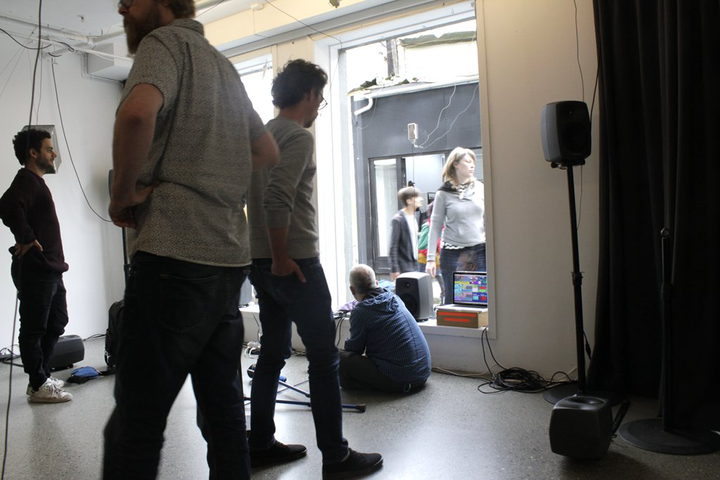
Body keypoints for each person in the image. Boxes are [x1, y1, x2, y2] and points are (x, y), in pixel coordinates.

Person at [103, 1, 278, 478]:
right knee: (224, 415)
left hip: (173, 257)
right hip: (227, 262)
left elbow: (136, 115)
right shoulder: (223, 66)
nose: (122, 6)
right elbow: (266, 150)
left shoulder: (164, 42)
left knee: (137, 421)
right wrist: (215, 171)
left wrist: (123, 195)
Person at [246, 59, 383, 479]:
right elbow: (276, 198)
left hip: (258, 260)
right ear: (307, 94)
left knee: (272, 353)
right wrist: (282, 256)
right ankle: (336, 457)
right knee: (323, 359)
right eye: (320, 97)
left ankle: (260, 444)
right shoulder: (297, 137)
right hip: (294, 261)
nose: (319, 106)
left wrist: (265, 256)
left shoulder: (259, 136)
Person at [0, 128, 72, 403]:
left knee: (58, 321)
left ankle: (40, 378)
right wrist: (26, 237)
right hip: (35, 269)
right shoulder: (26, 180)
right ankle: (39, 383)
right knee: (34, 327)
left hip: (51, 268)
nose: (53, 154)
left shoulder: (37, 182)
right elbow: (7, 206)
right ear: (33, 153)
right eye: (49, 149)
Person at [340, 264, 431, 393]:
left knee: (338, 357)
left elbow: (354, 350)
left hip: (399, 380)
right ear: (376, 283)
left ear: (352, 290)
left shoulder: (361, 312)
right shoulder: (394, 298)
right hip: (422, 374)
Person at [425, 147, 485, 305]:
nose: (472, 165)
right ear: (456, 164)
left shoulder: (480, 188)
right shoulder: (443, 193)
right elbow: (435, 226)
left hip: (479, 250)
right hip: (452, 252)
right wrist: (430, 259)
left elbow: (489, 220)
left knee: (479, 299)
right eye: (468, 161)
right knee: (452, 300)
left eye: (473, 162)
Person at [389, 186, 423, 280]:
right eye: (417, 197)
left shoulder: (413, 217)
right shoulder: (398, 219)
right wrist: (395, 268)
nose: (421, 199)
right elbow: (393, 246)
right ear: (409, 201)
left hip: (414, 263)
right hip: (404, 266)